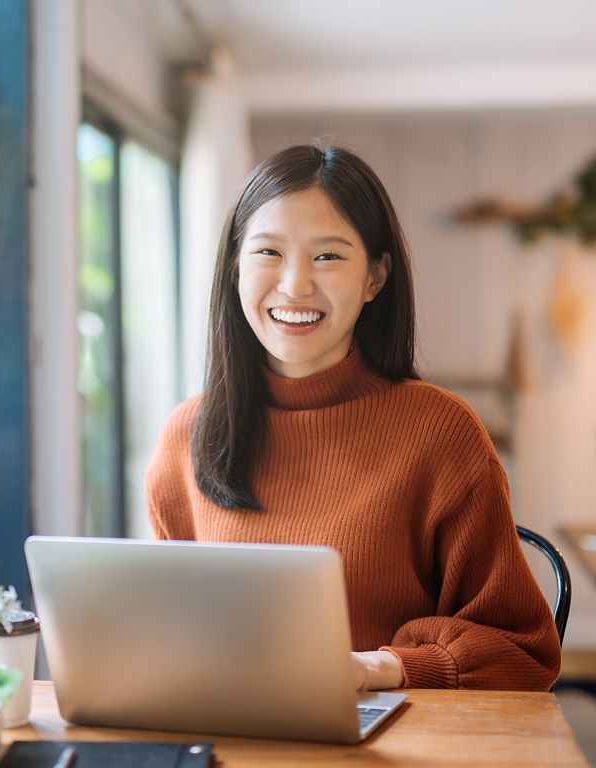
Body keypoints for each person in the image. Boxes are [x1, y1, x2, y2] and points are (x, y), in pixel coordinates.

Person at [145, 143, 561, 692]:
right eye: (268, 252)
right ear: (234, 269)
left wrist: (382, 667)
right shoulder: (187, 435)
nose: (295, 285)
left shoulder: (440, 433)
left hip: (389, 741)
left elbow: (523, 649)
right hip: (227, 730)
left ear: (375, 278)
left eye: (328, 256)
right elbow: (166, 627)